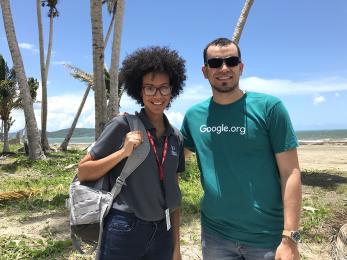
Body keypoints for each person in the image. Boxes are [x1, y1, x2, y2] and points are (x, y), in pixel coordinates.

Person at [180, 37, 302, 260]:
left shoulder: (270, 108)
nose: (224, 68)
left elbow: (290, 172)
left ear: (241, 67)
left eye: (231, 61)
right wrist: (133, 127)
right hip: (215, 236)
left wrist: (290, 237)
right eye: (215, 63)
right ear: (205, 71)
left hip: (267, 238)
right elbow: (172, 158)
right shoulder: (194, 116)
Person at [78, 46, 186, 260]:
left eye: (164, 88)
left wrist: (176, 247)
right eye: (150, 88)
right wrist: (123, 152)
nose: (157, 95)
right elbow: (84, 172)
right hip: (124, 227)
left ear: (172, 91)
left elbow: (174, 192)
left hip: (162, 232)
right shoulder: (123, 125)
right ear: (140, 91)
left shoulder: (175, 137)